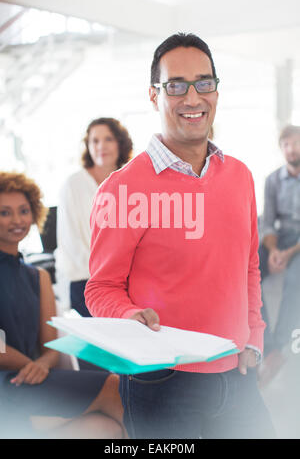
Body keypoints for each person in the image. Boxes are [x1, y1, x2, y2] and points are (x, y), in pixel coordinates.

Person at [84, 32, 275, 439]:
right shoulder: (123, 188)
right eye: (176, 86)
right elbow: (100, 288)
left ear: (217, 92)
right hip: (162, 383)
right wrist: (128, 315)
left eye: (204, 83)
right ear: (154, 96)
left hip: (237, 375)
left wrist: (254, 335)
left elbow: (249, 265)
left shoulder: (239, 175)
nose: (192, 98)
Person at [0, 171, 126, 439]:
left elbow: (50, 346)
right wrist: (32, 365)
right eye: (5, 212)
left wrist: (43, 364)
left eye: (23, 211)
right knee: (115, 387)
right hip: (10, 382)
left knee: (107, 430)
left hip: (32, 378)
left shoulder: (39, 277)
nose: (17, 220)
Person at [55, 117, 133, 317]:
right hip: (85, 281)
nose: (101, 146)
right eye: (94, 141)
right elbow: (71, 243)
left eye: (108, 139)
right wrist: (107, 274)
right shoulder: (73, 185)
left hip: (126, 281)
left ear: (120, 143)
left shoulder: (132, 181)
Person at [258, 125, 300, 387]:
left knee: (294, 279)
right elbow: (267, 223)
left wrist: (289, 253)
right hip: (279, 239)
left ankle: (283, 342)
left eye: (295, 144)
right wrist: (273, 251)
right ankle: (267, 344)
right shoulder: (272, 180)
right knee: (248, 268)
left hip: (297, 243)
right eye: (286, 144)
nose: (291, 149)